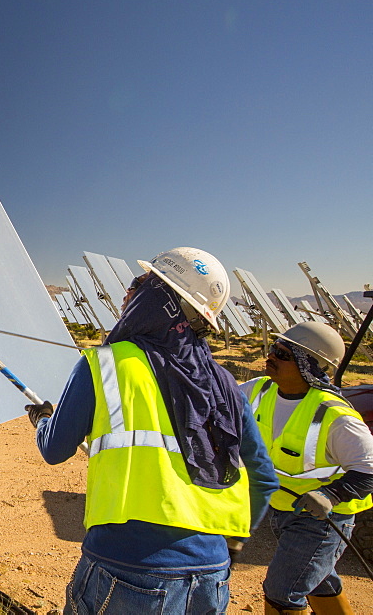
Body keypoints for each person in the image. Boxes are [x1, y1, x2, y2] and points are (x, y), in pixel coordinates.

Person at [28, 247, 278, 614]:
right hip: (211, 575)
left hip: (128, 568)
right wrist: (231, 546)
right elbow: (263, 478)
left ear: (160, 299)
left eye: (138, 285)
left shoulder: (106, 366)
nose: (127, 294)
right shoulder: (225, 385)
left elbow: (54, 449)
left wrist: (42, 421)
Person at [240, 322, 373, 615]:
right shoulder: (262, 390)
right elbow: (218, 397)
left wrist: (331, 494)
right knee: (316, 578)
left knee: (283, 590)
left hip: (324, 520)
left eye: (283, 354)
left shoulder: (335, 415)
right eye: (273, 349)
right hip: (284, 510)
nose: (271, 356)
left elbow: (369, 469)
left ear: (309, 365)